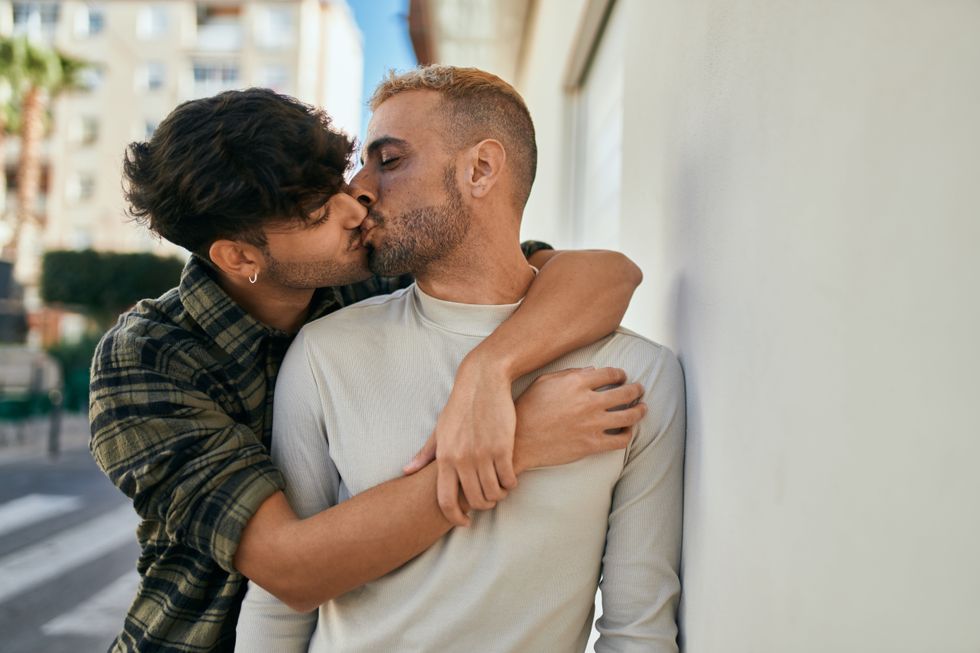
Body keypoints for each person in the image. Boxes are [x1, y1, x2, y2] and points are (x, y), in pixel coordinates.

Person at [89, 87, 647, 652]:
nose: (356, 209)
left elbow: (604, 275)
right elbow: (291, 571)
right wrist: (516, 441)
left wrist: (490, 369)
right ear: (240, 257)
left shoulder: (373, 271)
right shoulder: (147, 360)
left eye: (338, 184)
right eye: (317, 214)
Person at [236, 67, 685, 652]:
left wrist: (490, 370)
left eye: (389, 160)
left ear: (481, 169)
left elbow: (638, 629)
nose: (357, 189)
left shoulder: (635, 375)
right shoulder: (325, 352)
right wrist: (520, 435)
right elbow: (277, 608)